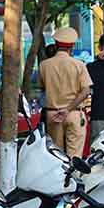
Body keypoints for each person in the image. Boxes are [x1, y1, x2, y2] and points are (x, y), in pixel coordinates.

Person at [38, 26, 93, 157]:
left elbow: (42, 89)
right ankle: (72, 177)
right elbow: (86, 91)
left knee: (56, 156)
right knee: (74, 157)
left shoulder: (44, 65)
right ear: (72, 46)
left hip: (53, 114)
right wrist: (68, 109)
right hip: (74, 114)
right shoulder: (79, 65)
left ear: (56, 44)